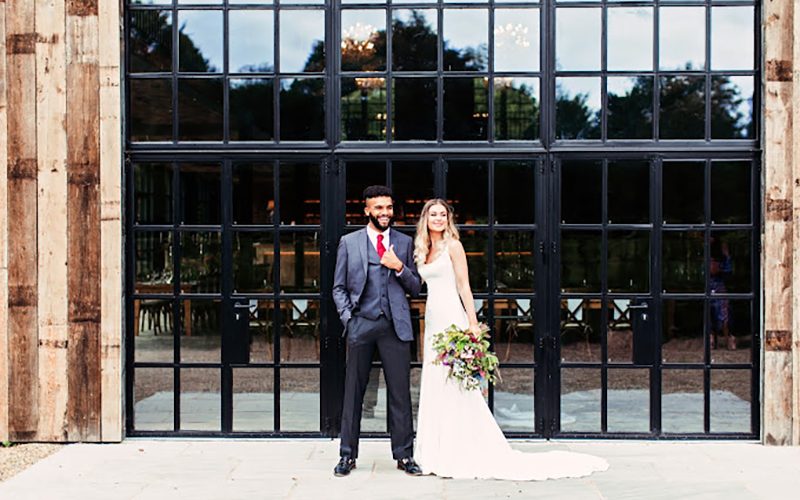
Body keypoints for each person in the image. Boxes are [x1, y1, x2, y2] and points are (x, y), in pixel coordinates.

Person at [413, 199, 608, 480]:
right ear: (425, 218)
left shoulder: (453, 246)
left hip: (452, 317)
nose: (439, 218)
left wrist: (471, 324)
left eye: (443, 214)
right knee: (434, 379)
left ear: (448, 219)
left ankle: (459, 448)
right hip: (432, 319)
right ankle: (434, 449)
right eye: (433, 214)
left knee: (455, 382)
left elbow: (463, 286)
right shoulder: (423, 249)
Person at [332, 185, 423, 477]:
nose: (385, 213)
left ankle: (404, 455)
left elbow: (416, 286)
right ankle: (347, 455)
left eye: (388, 207)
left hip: (395, 327)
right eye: (378, 208)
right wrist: (350, 319)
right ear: (367, 210)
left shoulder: (404, 243)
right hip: (362, 324)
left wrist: (399, 267)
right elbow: (339, 287)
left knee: (400, 393)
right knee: (354, 392)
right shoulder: (349, 242)